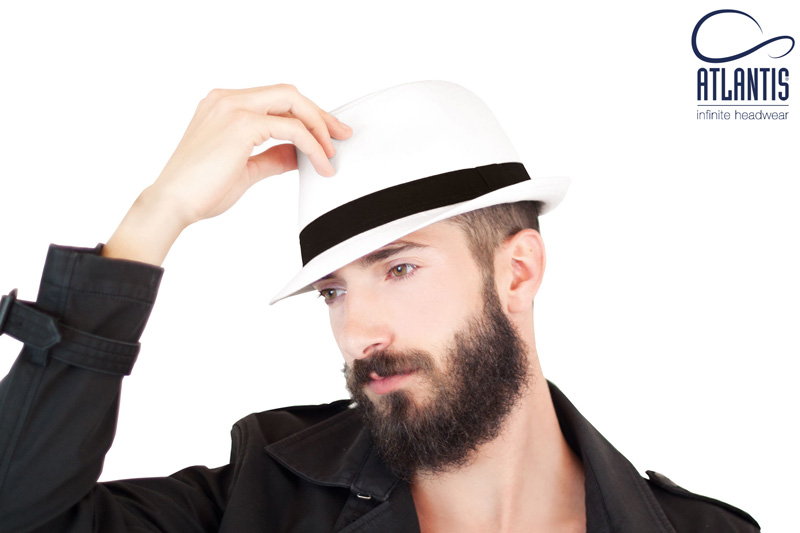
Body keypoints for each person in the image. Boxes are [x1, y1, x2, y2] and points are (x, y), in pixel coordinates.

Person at [0, 81, 759, 532]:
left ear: (518, 272)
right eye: (333, 292)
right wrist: (155, 217)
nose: (357, 331)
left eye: (399, 268)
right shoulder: (260, 500)